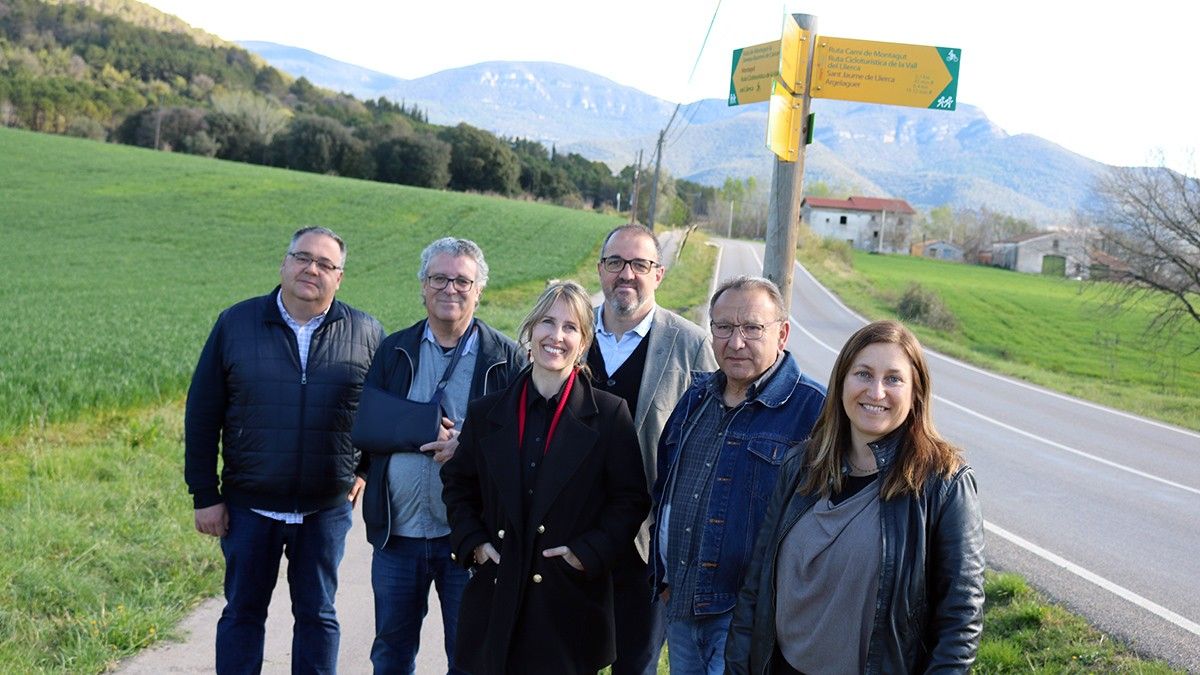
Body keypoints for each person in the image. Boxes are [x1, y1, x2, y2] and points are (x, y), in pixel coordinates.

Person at [725, 320, 986, 675]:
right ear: (842, 383)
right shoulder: (802, 465)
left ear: (916, 394)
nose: (876, 392)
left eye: (893, 379)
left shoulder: (943, 483)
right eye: (863, 374)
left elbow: (960, 618)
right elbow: (756, 588)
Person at [184, 226, 384, 674]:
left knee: (317, 616)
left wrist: (366, 469)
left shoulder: (367, 332)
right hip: (248, 506)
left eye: (325, 264)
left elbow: (382, 411)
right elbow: (202, 413)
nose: (311, 269)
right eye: (302, 257)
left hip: (325, 510)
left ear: (340, 277)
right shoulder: (236, 323)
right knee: (242, 614)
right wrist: (205, 494)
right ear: (284, 263)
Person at [441, 280, 650, 675]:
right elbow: (458, 485)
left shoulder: (609, 415)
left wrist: (586, 553)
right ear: (530, 329)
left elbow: (630, 500)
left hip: (566, 604)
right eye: (547, 323)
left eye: (571, 327)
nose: (557, 336)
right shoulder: (487, 413)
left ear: (584, 340)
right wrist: (477, 544)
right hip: (495, 598)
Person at [358, 237, 525, 674]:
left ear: (478, 290)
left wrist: (467, 447)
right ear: (423, 286)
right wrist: (418, 429)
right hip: (399, 537)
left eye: (462, 281)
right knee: (391, 653)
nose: (450, 289)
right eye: (439, 278)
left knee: (470, 657)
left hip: (469, 540)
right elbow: (368, 426)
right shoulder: (394, 350)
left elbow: (526, 443)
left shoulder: (505, 358)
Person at [651, 275, 826, 675]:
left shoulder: (813, 411)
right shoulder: (696, 397)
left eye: (751, 328)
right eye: (724, 327)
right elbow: (665, 489)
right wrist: (663, 578)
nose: (736, 342)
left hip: (748, 618)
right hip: (681, 603)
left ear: (781, 334)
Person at [586, 224, 717, 675]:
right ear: (600, 269)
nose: (627, 274)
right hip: (568, 536)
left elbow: (710, 441)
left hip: (644, 547)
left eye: (639, 264)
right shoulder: (569, 334)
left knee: (635, 665)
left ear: (658, 274)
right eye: (616, 263)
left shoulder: (691, 345)